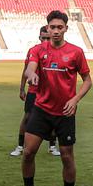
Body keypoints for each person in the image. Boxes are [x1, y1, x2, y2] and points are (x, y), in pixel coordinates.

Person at [15, 10, 92, 186]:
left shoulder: (76, 52)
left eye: (60, 27)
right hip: (41, 109)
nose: (56, 31)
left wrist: (75, 100)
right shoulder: (38, 50)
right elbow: (29, 68)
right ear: (47, 28)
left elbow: (87, 81)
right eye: (52, 27)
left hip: (65, 112)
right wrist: (32, 76)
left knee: (67, 156)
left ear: (66, 28)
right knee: (29, 152)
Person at [11, 26, 59, 158]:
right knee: (27, 118)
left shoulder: (57, 51)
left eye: (47, 38)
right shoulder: (33, 51)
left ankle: (52, 146)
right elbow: (25, 70)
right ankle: (20, 146)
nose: (45, 40)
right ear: (39, 38)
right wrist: (22, 89)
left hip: (51, 91)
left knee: (54, 119)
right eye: (43, 38)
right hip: (34, 91)